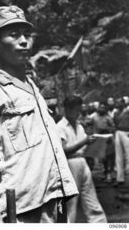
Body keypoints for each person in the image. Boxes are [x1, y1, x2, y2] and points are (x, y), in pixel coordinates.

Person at [0, 5, 78, 223]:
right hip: (20, 207)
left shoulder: (32, 87)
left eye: (27, 34)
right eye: (13, 34)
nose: (23, 41)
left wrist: (63, 205)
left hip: (56, 198)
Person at [57, 95, 107, 223]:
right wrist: (84, 142)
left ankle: (99, 223)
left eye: (79, 110)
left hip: (82, 161)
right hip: (70, 164)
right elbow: (63, 151)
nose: (78, 113)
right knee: (71, 202)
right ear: (67, 109)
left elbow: (85, 146)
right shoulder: (60, 127)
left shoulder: (79, 126)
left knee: (90, 196)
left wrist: (97, 143)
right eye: (75, 110)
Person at [90, 102, 115, 182]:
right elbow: (89, 123)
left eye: (103, 107)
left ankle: (109, 174)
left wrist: (106, 129)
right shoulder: (94, 116)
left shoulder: (108, 117)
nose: (102, 109)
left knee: (109, 157)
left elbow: (113, 127)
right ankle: (104, 172)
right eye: (100, 107)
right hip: (99, 138)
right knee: (102, 158)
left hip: (107, 138)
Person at [114, 98, 129, 186]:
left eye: (119, 102)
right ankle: (120, 178)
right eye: (117, 102)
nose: (117, 104)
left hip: (127, 132)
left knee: (128, 155)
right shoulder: (116, 113)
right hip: (118, 132)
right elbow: (115, 124)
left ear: (123, 103)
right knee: (118, 156)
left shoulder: (127, 111)